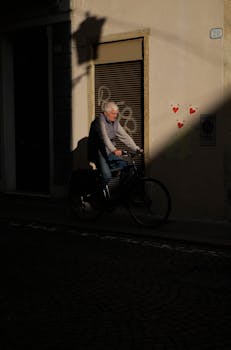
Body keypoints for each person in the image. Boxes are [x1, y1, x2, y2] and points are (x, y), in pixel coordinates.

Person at [87, 101, 142, 186]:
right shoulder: (99, 121)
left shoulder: (115, 122)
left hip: (109, 152)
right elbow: (104, 137)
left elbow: (124, 136)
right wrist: (114, 150)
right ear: (106, 113)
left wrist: (136, 148)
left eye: (117, 114)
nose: (116, 116)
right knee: (107, 176)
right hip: (98, 152)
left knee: (126, 167)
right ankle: (97, 195)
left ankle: (120, 192)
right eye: (113, 113)